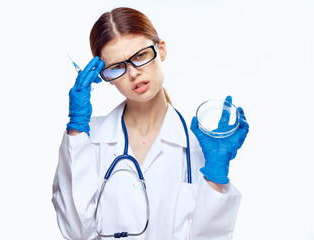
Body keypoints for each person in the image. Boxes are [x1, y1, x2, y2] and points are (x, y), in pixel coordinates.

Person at [52, 7, 249, 240]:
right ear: (105, 76)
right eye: (117, 67)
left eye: (140, 56)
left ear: (161, 49)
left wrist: (215, 177)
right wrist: (76, 128)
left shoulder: (200, 146)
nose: (133, 73)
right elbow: (76, 232)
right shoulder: (88, 140)